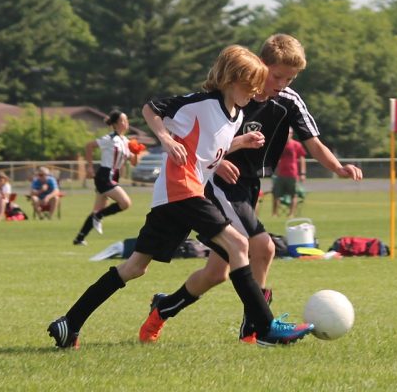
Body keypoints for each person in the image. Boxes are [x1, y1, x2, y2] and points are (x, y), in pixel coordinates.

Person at [47, 45, 314, 349]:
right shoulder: (201, 103)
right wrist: (165, 140)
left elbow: (211, 148)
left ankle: (70, 323)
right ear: (230, 80)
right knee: (240, 244)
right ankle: (264, 328)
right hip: (182, 190)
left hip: (173, 199)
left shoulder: (235, 115)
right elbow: (152, 108)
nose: (255, 93)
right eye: (250, 86)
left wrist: (241, 143)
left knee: (135, 267)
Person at [138, 34, 362, 345]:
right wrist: (217, 163)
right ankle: (256, 329)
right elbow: (203, 141)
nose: (281, 83)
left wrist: (338, 167)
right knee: (264, 247)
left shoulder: (288, 101)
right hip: (219, 185)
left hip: (249, 186)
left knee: (217, 272)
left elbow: (313, 142)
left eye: (289, 78)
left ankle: (163, 308)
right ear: (259, 66)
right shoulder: (232, 95)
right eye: (277, 75)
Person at [73, 110, 141, 245]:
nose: (126, 123)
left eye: (127, 121)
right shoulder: (110, 139)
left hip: (114, 176)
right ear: (115, 124)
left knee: (97, 210)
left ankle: (79, 238)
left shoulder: (126, 141)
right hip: (105, 176)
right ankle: (98, 216)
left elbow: (133, 162)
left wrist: (136, 153)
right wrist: (90, 166)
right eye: (123, 120)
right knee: (125, 203)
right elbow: (89, 146)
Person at [272, 128, 306, 217]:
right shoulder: (279, 144)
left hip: (292, 174)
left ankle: (291, 214)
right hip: (280, 174)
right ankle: (275, 213)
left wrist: (302, 173)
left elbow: (302, 159)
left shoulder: (296, 145)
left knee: (293, 194)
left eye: (290, 133)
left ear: (292, 134)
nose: (288, 135)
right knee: (276, 194)